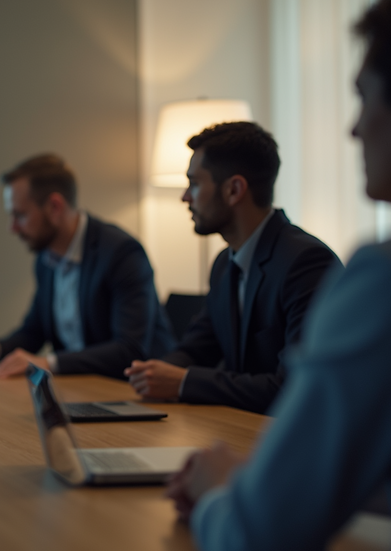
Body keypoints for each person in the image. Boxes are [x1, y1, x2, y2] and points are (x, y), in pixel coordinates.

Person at [165, 3, 391, 548]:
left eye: (364, 95)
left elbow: (254, 532)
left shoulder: (366, 280)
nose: (354, 127)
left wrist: (224, 488)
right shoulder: (225, 266)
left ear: (234, 188)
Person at [124, 122, 339, 414]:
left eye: (195, 184)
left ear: (234, 190)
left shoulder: (306, 263)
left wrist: (184, 382)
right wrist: (152, 373)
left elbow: (294, 387)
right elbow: (198, 348)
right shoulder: (225, 264)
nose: (185, 197)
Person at [0, 154, 176, 379]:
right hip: (82, 389)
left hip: (134, 392)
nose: (13, 228)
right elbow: (34, 332)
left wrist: (49, 362)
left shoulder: (121, 253)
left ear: (55, 207)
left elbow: (129, 350)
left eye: (20, 215)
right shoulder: (47, 260)